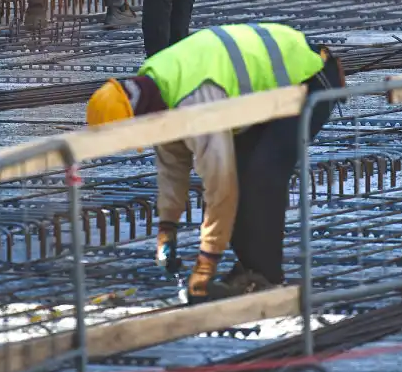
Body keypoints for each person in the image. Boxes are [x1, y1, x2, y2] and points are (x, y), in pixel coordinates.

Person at [85, 22, 344, 302]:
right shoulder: (154, 87)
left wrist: (205, 266)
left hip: (310, 75)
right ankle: (250, 269)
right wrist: (166, 230)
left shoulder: (195, 102)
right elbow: (173, 166)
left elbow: (222, 190)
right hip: (267, 95)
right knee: (245, 171)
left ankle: (266, 277)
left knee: (261, 176)